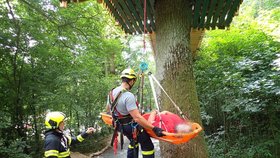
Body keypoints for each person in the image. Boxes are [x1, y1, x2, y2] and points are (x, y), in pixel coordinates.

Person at [107, 68, 165, 158]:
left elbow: (109, 110)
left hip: (119, 126)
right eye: (133, 81)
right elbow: (137, 118)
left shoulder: (111, 92)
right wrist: (154, 128)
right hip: (130, 126)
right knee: (147, 145)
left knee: (133, 141)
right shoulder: (128, 96)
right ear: (131, 81)